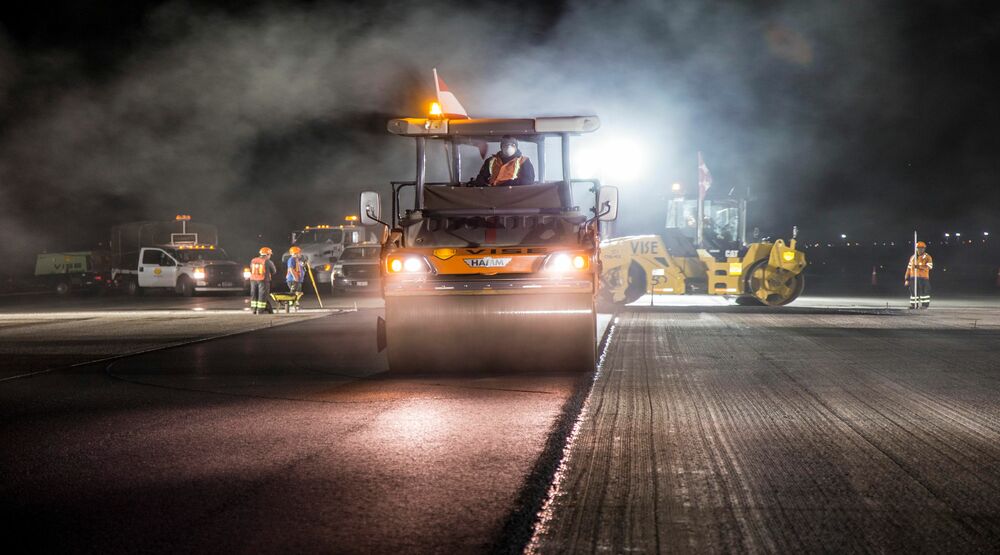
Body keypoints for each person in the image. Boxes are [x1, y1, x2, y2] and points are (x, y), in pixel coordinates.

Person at [904, 241, 933, 309]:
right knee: (913, 292)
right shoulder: (912, 257)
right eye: (919, 248)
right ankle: (914, 305)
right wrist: (906, 279)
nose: (920, 249)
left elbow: (929, 267)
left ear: (924, 248)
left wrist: (919, 267)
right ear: (916, 248)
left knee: (924, 292)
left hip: (923, 277)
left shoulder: (927, 257)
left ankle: (924, 305)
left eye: (922, 248)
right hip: (913, 277)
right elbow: (908, 269)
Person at [249, 247, 277, 314]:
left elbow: (251, 269)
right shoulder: (268, 261)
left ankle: (254, 310)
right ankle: (260, 310)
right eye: (270, 255)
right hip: (263, 280)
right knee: (262, 295)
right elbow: (274, 271)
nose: (270, 256)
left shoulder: (253, 260)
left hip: (253, 280)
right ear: (267, 254)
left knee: (254, 294)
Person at [286, 245, 306, 310]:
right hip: (293, 280)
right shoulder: (291, 259)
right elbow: (291, 268)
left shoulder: (297, 260)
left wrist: (303, 264)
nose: (300, 254)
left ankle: (295, 304)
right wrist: (295, 278)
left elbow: (301, 266)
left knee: (297, 293)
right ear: (295, 253)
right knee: (294, 292)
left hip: (298, 280)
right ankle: (291, 305)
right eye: (299, 252)